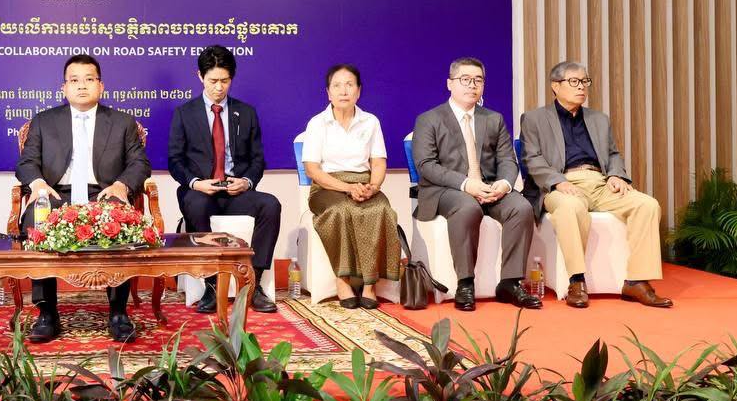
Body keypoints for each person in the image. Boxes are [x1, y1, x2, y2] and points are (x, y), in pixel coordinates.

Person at [16, 53, 151, 343]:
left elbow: (139, 163)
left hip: (103, 192)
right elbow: (26, 163)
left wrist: (121, 186)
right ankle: (47, 312)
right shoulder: (43, 121)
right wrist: (38, 184)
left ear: (101, 86)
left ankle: (118, 312)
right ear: (64, 88)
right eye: (74, 80)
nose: (81, 86)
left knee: (119, 216)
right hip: (56, 192)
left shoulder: (122, 122)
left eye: (89, 79)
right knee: (37, 216)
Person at [520, 61, 672, 308]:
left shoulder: (599, 119)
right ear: (555, 86)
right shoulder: (534, 119)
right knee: (571, 207)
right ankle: (576, 281)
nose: (581, 87)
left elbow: (612, 154)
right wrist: (558, 181)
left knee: (647, 205)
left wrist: (616, 175)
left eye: (585, 81)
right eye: (574, 81)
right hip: (558, 183)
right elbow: (532, 159)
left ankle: (636, 281)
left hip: (599, 182)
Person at [412, 57, 538, 311]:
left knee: (521, 207)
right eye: (465, 80)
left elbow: (507, 159)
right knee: (467, 207)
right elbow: (426, 165)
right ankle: (465, 283)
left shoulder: (493, 119)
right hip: (447, 190)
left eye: (478, 80)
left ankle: (510, 282)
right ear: (450, 83)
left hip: (489, 187)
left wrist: (504, 183)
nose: (472, 85)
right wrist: (466, 184)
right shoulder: (429, 119)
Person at [168, 45, 280, 313]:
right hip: (200, 190)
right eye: (213, 81)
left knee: (271, 205)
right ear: (200, 76)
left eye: (225, 81)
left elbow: (257, 160)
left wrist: (246, 182)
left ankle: (253, 283)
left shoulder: (246, 112)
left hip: (234, 191)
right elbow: (175, 160)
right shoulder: (185, 113)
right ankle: (211, 286)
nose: (219, 88)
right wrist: (196, 182)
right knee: (197, 205)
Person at [302, 64, 401, 309]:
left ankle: (369, 284)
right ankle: (343, 280)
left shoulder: (370, 122)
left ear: (358, 91)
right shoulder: (317, 123)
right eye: (337, 86)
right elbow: (312, 170)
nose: (343, 91)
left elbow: (378, 162)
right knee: (341, 210)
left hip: (364, 183)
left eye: (349, 85)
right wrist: (347, 188)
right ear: (328, 93)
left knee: (381, 210)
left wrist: (373, 186)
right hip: (326, 187)